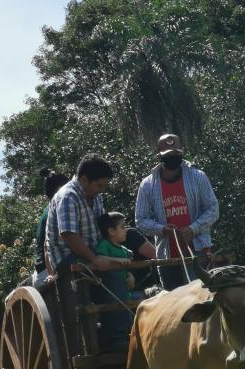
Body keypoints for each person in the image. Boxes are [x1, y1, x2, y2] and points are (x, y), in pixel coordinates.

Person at [135, 133, 219, 290]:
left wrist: (193, 229)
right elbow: (140, 219)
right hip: (167, 257)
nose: (172, 157)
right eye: (168, 155)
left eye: (176, 154)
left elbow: (213, 209)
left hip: (198, 252)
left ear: (182, 153)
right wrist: (161, 229)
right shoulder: (147, 185)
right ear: (159, 156)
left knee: (200, 300)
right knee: (172, 305)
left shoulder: (198, 177)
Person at [45, 153, 115, 273]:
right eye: (99, 185)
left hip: (92, 254)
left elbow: (103, 228)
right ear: (84, 179)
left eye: (104, 186)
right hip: (68, 259)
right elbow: (69, 235)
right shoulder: (68, 196)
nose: (102, 190)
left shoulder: (95, 196)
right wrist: (94, 259)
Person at [94, 212, 135, 351]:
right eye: (122, 227)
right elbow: (100, 258)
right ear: (111, 231)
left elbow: (127, 267)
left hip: (125, 293)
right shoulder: (105, 245)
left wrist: (129, 274)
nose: (126, 230)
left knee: (128, 314)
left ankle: (129, 338)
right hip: (111, 294)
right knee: (115, 318)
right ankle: (117, 343)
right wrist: (118, 261)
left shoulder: (124, 250)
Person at [32, 168, 69, 289]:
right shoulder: (59, 208)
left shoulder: (48, 209)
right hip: (47, 272)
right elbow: (47, 246)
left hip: (41, 271)